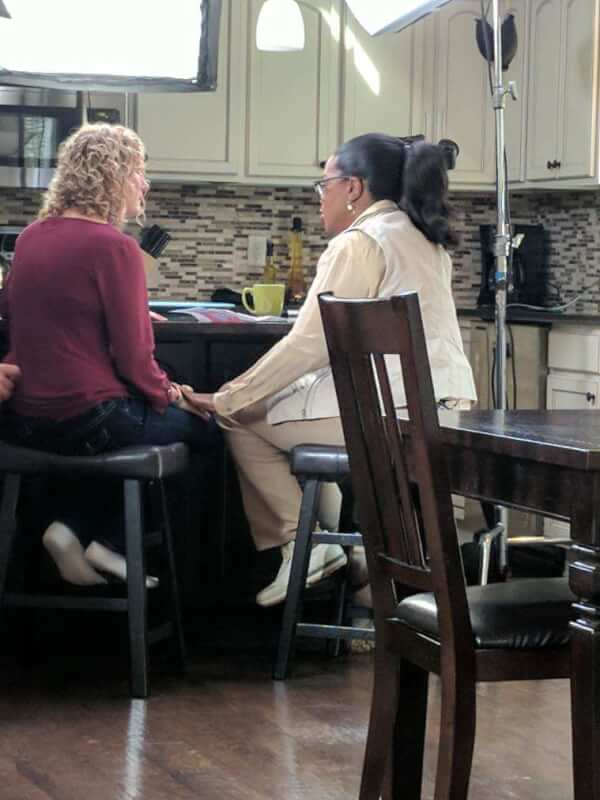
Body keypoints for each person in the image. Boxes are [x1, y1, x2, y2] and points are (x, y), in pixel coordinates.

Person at [182, 133, 477, 608]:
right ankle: (343, 554)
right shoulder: (422, 236)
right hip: (443, 415)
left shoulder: (359, 242)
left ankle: (300, 544)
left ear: (354, 188)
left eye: (325, 185)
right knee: (289, 414)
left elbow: (308, 345)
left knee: (239, 418)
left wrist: (229, 396)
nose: (320, 198)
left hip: (388, 420)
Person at [0, 123, 218, 588]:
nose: (145, 183)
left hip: (29, 421)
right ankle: (112, 543)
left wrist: (122, 314)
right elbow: (136, 361)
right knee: (208, 432)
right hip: (92, 416)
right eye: (138, 171)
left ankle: (67, 530)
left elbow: (21, 313)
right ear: (111, 177)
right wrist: (172, 395)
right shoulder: (116, 248)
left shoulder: (30, 239)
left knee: (119, 440)